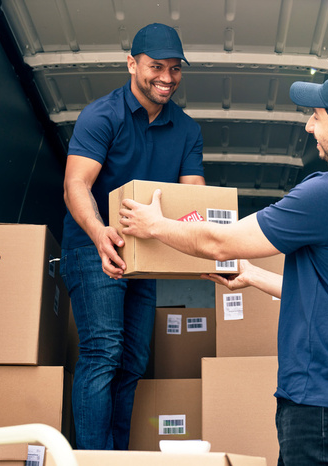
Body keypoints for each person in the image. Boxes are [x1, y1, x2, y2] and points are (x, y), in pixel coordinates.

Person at [118, 66, 328, 465]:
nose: (310, 126)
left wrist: (155, 226)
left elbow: (219, 242)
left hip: (322, 408)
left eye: (318, 116)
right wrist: (256, 276)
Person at [60, 23, 205, 450]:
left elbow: (193, 198)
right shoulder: (102, 115)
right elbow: (75, 186)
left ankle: (115, 458)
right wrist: (100, 233)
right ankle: (91, 459)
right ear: (131, 63)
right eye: (156, 66)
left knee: (132, 362)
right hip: (93, 247)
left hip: (147, 253)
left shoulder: (187, 129)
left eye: (175, 68)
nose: (167, 77)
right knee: (104, 353)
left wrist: (205, 247)